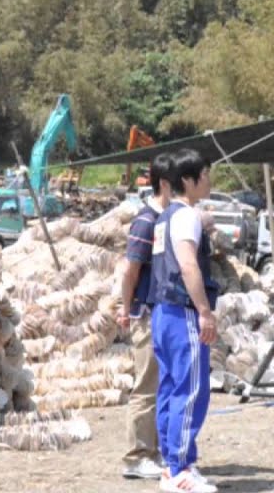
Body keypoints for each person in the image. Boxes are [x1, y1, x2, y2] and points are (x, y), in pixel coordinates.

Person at [149, 149, 221, 493]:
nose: (209, 181)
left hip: (162, 312)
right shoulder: (187, 216)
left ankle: (174, 465)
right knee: (191, 390)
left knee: (169, 388)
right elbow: (189, 266)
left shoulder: (163, 217)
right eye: (205, 175)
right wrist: (205, 311)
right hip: (183, 312)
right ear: (189, 181)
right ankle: (179, 470)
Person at [116, 152, 174, 480]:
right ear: (165, 184)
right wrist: (126, 309)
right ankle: (136, 456)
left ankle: (153, 451)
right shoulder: (147, 220)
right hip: (146, 315)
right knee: (146, 386)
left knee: (160, 384)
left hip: (162, 313)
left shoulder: (169, 219)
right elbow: (129, 269)